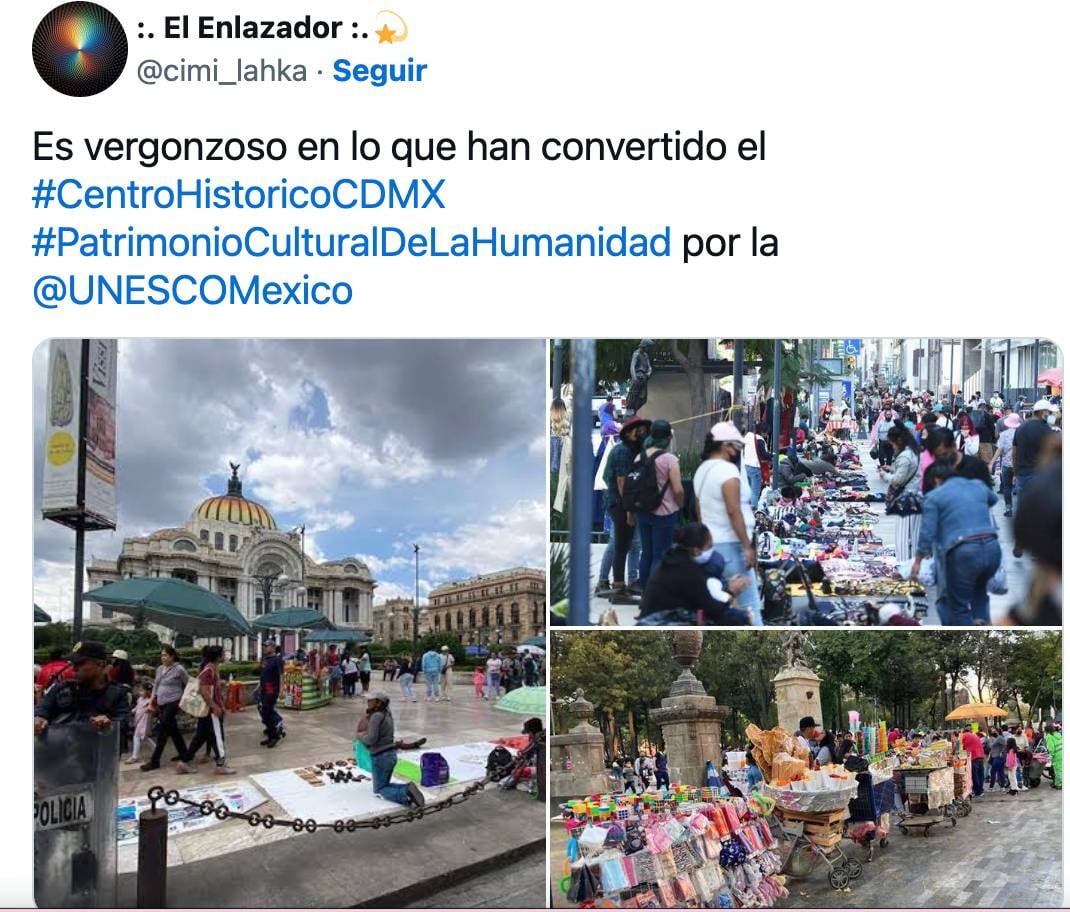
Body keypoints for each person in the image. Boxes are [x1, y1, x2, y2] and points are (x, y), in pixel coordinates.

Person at [912, 459, 1001, 625]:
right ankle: (982, 624)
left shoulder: (934, 496)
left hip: (963, 551)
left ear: (936, 480)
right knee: (980, 594)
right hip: (992, 548)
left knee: (957, 605)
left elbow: (927, 533)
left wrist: (917, 562)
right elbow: (993, 499)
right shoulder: (977, 486)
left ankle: (966, 632)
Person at [692, 422, 763, 626]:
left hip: (712, 547)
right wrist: (747, 547)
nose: (737, 452)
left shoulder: (702, 471)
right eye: (736, 446)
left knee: (725, 602)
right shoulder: (727, 472)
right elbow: (734, 511)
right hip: (732, 546)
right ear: (725, 445)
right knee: (750, 606)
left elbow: (699, 511)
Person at [636, 522, 752, 625]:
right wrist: (732, 591)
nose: (712, 551)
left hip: (653, 619)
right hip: (661, 622)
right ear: (696, 550)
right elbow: (713, 610)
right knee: (738, 618)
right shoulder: (690, 572)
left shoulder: (671, 559)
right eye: (709, 546)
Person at [34, 641, 130, 736]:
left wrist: (109, 724)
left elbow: (123, 722)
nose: (74, 669)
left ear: (99, 664)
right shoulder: (61, 688)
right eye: (73, 664)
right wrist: (39, 718)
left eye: (80, 663)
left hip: (97, 749)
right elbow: (42, 708)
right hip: (62, 748)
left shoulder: (117, 693)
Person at [603, 416, 652, 603]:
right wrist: (630, 510)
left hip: (624, 503)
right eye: (637, 430)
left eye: (643, 429)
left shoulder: (631, 450)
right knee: (621, 545)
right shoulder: (623, 451)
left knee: (624, 544)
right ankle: (618, 589)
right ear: (629, 433)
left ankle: (621, 587)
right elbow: (622, 482)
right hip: (620, 503)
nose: (641, 433)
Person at [634, 419, 685, 588]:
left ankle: (644, 592)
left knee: (646, 553)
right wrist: (681, 506)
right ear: (668, 438)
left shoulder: (638, 457)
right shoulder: (670, 460)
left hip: (642, 511)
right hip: (664, 513)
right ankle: (655, 595)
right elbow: (677, 490)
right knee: (659, 555)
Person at [356, 692, 426, 808]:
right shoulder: (387, 713)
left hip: (381, 757)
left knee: (380, 789)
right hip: (390, 755)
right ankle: (407, 788)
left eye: (371, 700)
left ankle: (404, 793)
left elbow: (371, 739)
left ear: (379, 702)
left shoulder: (376, 716)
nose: (368, 702)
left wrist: (360, 736)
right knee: (385, 784)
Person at [176, 645, 235, 776]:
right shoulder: (209, 670)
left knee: (200, 737)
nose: (225, 656)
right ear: (218, 656)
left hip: (208, 711)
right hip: (210, 711)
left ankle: (184, 762)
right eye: (223, 654)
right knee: (218, 738)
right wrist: (215, 706)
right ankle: (220, 765)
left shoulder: (212, 669)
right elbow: (204, 691)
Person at [878, 423, 923, 561]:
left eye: (892, 443)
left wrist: (884, 475)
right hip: (916, 496)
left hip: (906, 499)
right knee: (914, 536)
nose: (891, 446)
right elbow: (909, 472)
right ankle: (914, 566)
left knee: (902, 536)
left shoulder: (904, 456)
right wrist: (892, 469)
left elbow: (897, 480)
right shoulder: (913, 451)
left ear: (898, 441)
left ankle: (903, 564)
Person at [141, 645, 189, 771]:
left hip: (173, 701)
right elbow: (156, 686)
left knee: (162, 730)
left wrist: (184, 699)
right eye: (162, 655)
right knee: (173, 730)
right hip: (161, 702)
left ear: (172, 656)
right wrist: (151, 701)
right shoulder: (160, 669)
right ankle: (184, 753)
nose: (163, 657)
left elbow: (188, 683)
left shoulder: (179, 669)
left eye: (165, 655)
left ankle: (154, 761)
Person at [1012, 399, 1057, 514]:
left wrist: (1015, 472)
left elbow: (1014, 452)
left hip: (1021, 474)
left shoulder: (1020, 428)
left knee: (1022, 506)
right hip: (1039, 475)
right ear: (1043, 413)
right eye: (1049, 412)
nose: (1051, 415)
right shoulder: (1047, 431)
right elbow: (1051, 456)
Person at [921, 427, 992, 493]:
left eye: (944, 454)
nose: (941, 459)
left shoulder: (977, 466)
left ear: (954, 445)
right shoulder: (931, 471)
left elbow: (987, 495)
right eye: (936, 456)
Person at [990, 412, 1021, 516]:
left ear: (1007, 424)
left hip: (1007, 465)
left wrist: (992, 462)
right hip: (1019, 465)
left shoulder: (1004, 435)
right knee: (1020, 487)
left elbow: (999, 450)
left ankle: (1008, 509)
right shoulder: (1022, 434)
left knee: (1007, 487)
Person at [258, 641, 285, 748]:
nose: (264, 648)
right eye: (263, 646)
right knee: (263, 712)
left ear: (273, 648)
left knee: (267, 711)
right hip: (263, 689)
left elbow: (281, 675)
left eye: (266, 646)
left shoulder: (277, 660)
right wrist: (258, 686)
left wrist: (282, 690)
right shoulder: (264, 659)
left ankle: (274, 736)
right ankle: (270, 735)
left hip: (272, 690)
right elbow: (263, 674)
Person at [125, 681, 155, 764]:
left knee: (138, 737)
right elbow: (137, 707)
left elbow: (153, 710)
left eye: (142, 690)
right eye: (140, 690)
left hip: (145, 722)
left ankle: (135, 756)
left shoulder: (150, 701)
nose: (140, 692)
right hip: (138, 721)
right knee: (143, 738)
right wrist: (132, 711)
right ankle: (156, 750)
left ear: (148, 691)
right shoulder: (140, 699)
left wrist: (150, 709)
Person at [742, 423, 770, 509]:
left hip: (746, 466)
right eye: (766, 432)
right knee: (755, 492)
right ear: (763, 432)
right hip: (755, 467)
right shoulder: (760, 440)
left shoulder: (747, 437)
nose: (766, 434)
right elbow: (763, 456)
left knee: (749, 490)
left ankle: (746, 509)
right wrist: (771, 455)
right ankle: (753, 511)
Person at [960, 726, 986, 798]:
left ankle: (977, 791)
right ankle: (981, 790)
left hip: (973, 757)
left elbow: (959, 747)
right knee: (980, 774)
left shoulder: (963, 736)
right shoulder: (975, 735)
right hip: (981, 756)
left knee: (975, 775)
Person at [1045, 723, 1062, 789]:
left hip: (1057, 755)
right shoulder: (1058, 734)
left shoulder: (1049, 736)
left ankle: (1059, 785)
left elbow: (1051, 748)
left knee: (1058, 770)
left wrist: (1050, 756)